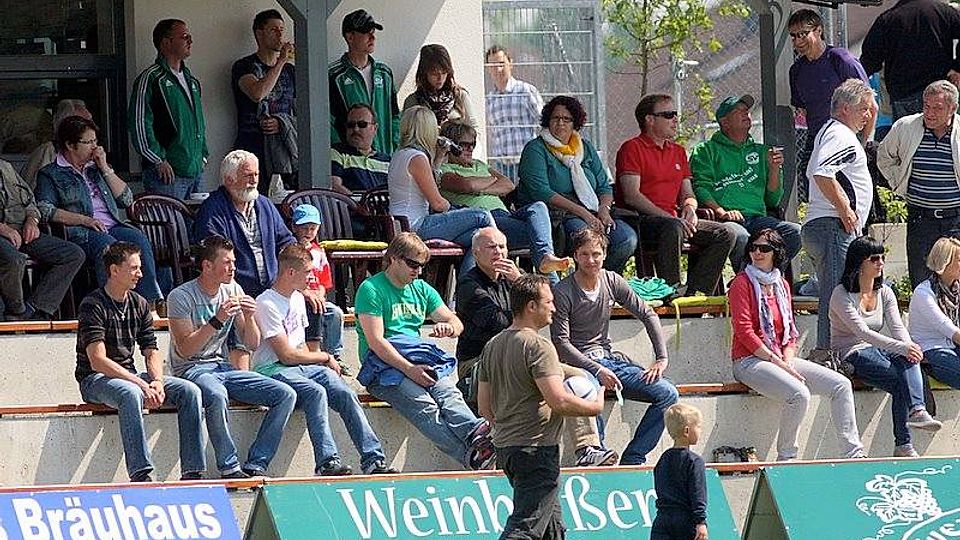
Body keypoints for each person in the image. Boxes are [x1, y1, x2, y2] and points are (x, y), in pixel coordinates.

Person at [455, 227, 617, 467]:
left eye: (502, 246)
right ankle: (494, 439)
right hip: (480, 360)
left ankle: (587, 448)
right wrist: (525, 296)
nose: (498, 252)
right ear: (476, 253)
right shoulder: (469, 285)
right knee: (545, 380)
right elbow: (500, 323)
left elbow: (541, 306)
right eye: (491, 247)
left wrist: (520, 283)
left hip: (520, 352)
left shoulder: (515, 277)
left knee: (579, 376)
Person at [477, 273, 604, 540]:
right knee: (524, 528)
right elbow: (559, 400)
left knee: (552, 529)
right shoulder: (538, 345)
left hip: (508, 450)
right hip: (536, 450)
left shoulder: (492, 345)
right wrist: (594, 407)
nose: (554, 308)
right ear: (531, 306)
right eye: (549, 302)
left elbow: (485, 408)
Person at [252, 244, 397, 476]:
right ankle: (327, 462)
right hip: (271, 369)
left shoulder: (297, 299)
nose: (311, 277)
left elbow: (300, 347)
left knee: (344, 391)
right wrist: (325, 357)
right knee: (316, 391)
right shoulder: (266, 303)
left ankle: (373, 459)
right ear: (291, 272)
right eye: (308, 272)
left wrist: (319, 363)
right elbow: (286, 355)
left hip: (298, 367)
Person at [354, 232, 495, 470]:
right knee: (425, 406)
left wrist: (449, 327)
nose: (418, 271)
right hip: (381, 368)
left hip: (416, 358)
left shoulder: (421, 288)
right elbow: (376, 342)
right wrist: (410, 370)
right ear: (394, 259)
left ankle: (474, 433)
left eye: (421, 266)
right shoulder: (371, 289)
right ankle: (472, 456)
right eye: (413, 264)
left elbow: (456, 322)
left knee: (448, 392)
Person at [167, 235, 297, 478]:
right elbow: (185, 350)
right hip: (191, 369)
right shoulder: (180, 296)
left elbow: (251, 344)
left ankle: (257, 463)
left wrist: (249, 317)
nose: (233, 268)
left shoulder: (233, 289)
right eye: (226, 262)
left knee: (285, 394)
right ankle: (229, 467)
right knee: (217, 394)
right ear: (207, 266)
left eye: (234, 262)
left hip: (222, 367)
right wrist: (217, 320)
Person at [729, 229, 864, 461]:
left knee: (841, 384)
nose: (757, 253)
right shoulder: (741, 283)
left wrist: (788, 361)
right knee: (799, 394)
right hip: (749, 361)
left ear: (776, 253)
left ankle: (853, 454)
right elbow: (744, 331)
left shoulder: (781, 284)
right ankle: (787, 458)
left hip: (781, 357)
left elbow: (790, 332)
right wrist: (779, 363)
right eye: (753, 247)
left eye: (764, 249)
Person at [76, 242, 204, 482]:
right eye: (134, 268)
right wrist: (141, 384)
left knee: (190, 391)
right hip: (95, 381)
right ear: (114, 270)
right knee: (130, 393)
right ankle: (140, 473)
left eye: (140, 268)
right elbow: (98, 361)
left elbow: (151, 350)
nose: (140, 274)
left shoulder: (140, 303)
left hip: (130, 376)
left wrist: (157, 381)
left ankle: (192, 471)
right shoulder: (93, 304)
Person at [551, 227, 679, 465]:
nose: (591, 260)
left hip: (609, 359)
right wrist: (597, 369)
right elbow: (561, 343)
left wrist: (662, 358)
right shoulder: (563, 290)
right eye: (584, 254)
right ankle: (594, 452)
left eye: (596, 254)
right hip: (578, 364)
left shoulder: (611, 280)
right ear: (575, 256)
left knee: (668, 393)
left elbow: (647, 313)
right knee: (584, 388)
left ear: (605, 255)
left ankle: (634, 456)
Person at [35, 115, 163, 309]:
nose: (95, 147)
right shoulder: (51, 173)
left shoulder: (97, 168)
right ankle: (112, 305)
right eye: (88, 142)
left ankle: (149, 304)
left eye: (96, 141)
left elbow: (126, 200)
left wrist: (105, 168)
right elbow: (44, 209)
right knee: (108, 247)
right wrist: (84, 220)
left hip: (112, 226)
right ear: (70, 145)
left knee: (137, 238)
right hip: (81, 232)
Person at [830, 236, 941, 458]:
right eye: (874, 258)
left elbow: (897, 327)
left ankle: (918, 411)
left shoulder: (885, 292)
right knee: (899, 379)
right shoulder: (841, 294)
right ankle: (904, 443)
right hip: (851, 352)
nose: (880, 263)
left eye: (882, 257)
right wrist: (903, 347)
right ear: (859, 262)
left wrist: (909, 347)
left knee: (909, 357)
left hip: (877, 348)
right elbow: (863, 333)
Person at [616, 94, 736, 295]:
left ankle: (697, 294)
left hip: (676, 221)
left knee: (725, 233)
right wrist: (669, 218)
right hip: (643, 221)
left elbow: (687, 193)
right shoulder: (632, 148)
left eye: (676, 114)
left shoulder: (678, 151)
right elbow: (632, 196)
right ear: (650, 119)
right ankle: (670, 291)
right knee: (672, 227)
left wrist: (690, 209)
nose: (675, 119)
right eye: (668, 115)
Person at [518, 95, 638, 273]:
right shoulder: (536, 149)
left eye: (566, 119)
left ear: (575, 123)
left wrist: (604, 209)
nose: (560, 123)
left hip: (594, 209)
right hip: (559, 214)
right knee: (586, 240)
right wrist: (583, 213)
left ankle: (603, 281)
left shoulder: (585, 148)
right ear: (547, 121)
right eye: (555, 118)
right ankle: (580, 285)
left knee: (626, 239)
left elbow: (604, 186)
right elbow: (541, 191)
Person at [439, 120, 571, 282]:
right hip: (485, 221)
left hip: (506, 216)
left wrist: (479, 189)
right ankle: (551, 280)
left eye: (472, 144)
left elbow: (508, 185)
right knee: (540, 235)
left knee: (538, 207)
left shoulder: (479, 165)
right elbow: (468, 185)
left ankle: (546, 258)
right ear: (452, 146)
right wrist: (490, 181)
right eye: (464, 145)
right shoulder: (444, 169)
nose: (469, 149)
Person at [801, 78, 877, 355]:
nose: (867, 115)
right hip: (832, 226)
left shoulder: (832, 132)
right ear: (845, 108)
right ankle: (826, 353)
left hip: (827, 227)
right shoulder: (840, 135)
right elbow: (822, 173)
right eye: (863, 109)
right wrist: (845, 210)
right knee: (835, 295)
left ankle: (835, 352)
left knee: (837, 292)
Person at [690, 94, 798, 271]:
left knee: (794, 232)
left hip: (758, 220)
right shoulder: (706, 150)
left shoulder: (763, 152)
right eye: (738, 111)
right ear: (724, 122)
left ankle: (765, 277)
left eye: (746, 110)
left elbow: (772, 201)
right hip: (724, 220)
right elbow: (700, 187)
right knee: (739, 236)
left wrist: (773, 169)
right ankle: (747, 280)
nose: (746, 113)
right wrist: (721, 211)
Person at [388, 106, 495, 274]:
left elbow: (426, 183)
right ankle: (500, 266)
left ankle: (469, 284)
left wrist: (438, 158)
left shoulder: (400, 154)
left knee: (478, 237)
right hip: (416, 226)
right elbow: (437, 203)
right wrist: (458, 210)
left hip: (403, 223)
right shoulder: (417, 158)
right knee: (482, 215)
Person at [877, 80, 960, 288]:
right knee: (921, 280)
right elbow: (884, 157)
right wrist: (898, 182)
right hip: (920, 218)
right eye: (926, 106)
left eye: (937, 108)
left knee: (955, 278)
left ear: (953, 109)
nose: (929, 113)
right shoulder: (906, 127)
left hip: (955, 219)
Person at [789, 9, 871, 201]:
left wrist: (862, 144)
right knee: (813, 188)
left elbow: (870, 105)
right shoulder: (796, 71)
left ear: (818, 30)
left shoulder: (840, 60)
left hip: (846, 139)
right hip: (817, 139)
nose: (798, 41)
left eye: (803, 34)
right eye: (793, 36)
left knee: (849, 197)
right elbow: (802, 111)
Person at [194, 150, 295, 298]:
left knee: (324, 309)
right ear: (229, 180)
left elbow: (287, 242)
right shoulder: (212, 210)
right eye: (248, 175)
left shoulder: (265, 205)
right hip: (234, 294)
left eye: (256, 174)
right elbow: (214, 256)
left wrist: (297, 279)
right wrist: (236, 293)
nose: (254, 181)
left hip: (274, 291)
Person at [128, 18, 208, 199]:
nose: (190, 41)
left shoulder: (192, 80)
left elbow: (198, 122)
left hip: (195, 171)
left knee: (200, 217)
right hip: (167, 174)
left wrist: (203, 155)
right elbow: (139, 123)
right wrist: (158, 160)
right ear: (166, 42)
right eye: (184, 36)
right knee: (169, 218)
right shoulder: (151, 78)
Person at [0, 158, 84, 320]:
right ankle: (16, 313)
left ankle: (36, 309)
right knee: (14, 259)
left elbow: (30, 202)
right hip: (4, 234)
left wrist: (32, 221)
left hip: (22, 230)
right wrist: (4, 229)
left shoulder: (6, 168)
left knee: (73, 254)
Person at [232, 9, 297, 194]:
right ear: (259, 34)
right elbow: (257, 93)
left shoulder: (290, 71)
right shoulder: (244, 66)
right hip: (252, 148)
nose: (280, 35)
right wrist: (281, 61)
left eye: (281, 30)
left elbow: (303, 110)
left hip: (284, 150)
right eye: (274, 30)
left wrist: (282, 123)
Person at [861, 0, 960, 119]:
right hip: (940, 90)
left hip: (905, 94)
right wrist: (956, 67)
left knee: (908, 130)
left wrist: (855, 81)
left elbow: (870, 60)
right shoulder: (944, 11)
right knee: (942, 130)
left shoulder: (888, 19)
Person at [329, 9, 400, 155]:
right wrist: (341, 153)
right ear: (350, 37)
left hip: (384, 156)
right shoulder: (334, 75)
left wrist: (394, 146)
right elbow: (329, 120)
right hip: (351, 159)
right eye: (366, 33)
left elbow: (394, 115)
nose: (372, 37)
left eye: (373, 32)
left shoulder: (385, 73)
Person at [289, 204, 345, 369]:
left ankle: (334, 354)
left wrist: (320, 294)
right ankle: (311, 354)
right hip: (297, 297)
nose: (308, 232)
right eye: (304, 228)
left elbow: (324, 282)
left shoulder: (318, 252)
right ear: (294, 227)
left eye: (313, 228)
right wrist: (306, 293)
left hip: (317, 296)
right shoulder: (290, 251)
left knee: (335, 313)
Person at [484, 45, 544, 182]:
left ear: (510, 63)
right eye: (493, 65)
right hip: (502, 167)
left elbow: (543, 122)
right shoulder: (490, 99)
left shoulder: (526, 91)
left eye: (501, 63)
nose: (498, 69)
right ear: (488, 69)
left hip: (527, 162)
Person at [908, 237, 960, 389]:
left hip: (954, 345)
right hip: (931, 350)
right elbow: (948, 329)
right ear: (945, 262)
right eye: (959, 260)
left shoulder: (956, 289)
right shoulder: (923, 293)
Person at [650, 403, 707, 540]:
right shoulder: (694, 461)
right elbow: (697, 493)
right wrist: (701, 522)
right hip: (686, 522)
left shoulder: (663, 459)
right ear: (687, 431)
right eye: (698, 426)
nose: (700, 430)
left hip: (662, 520)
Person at [23, 99, 92, 190]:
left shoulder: (93, 154)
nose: (90, 127)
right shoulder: (48, 151)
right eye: (82, 124)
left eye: (90, 121)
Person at [403, 44, 474, 127]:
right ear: (424, 73)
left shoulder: (459, 96)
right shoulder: (413, 101)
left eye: (444, 72)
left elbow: (474, 128)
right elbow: (405, 132)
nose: (440, 78)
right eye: (434, 73)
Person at [330, 103, 390, 196]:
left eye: (362, 124)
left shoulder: (387, 161)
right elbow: (334, 186)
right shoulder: (337, 152)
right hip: (350, 205)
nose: (356, 129)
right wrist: (361, 203)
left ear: (375, 128)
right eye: (351, 125)